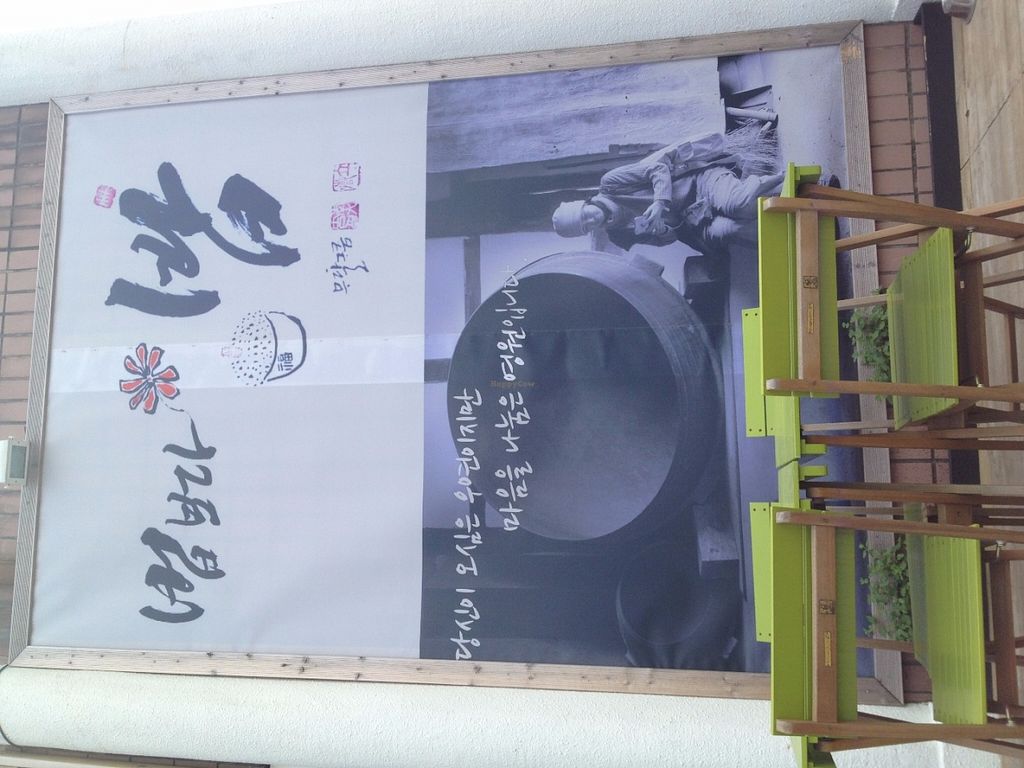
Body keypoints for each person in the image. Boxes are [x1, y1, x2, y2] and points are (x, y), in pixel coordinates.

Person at [551, 132, 785, 254]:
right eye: (586, 227)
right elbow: (667, 240)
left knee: (738, 204)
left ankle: (788, 185)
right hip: (693, 224)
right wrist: (662, 230)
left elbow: (658, 169)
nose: (591, 221)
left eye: (585, 215)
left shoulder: (611, 184)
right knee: (730, 230)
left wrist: (659, 203)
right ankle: (787, 229)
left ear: (584, 203)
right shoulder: (619, 236)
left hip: (699, 184)